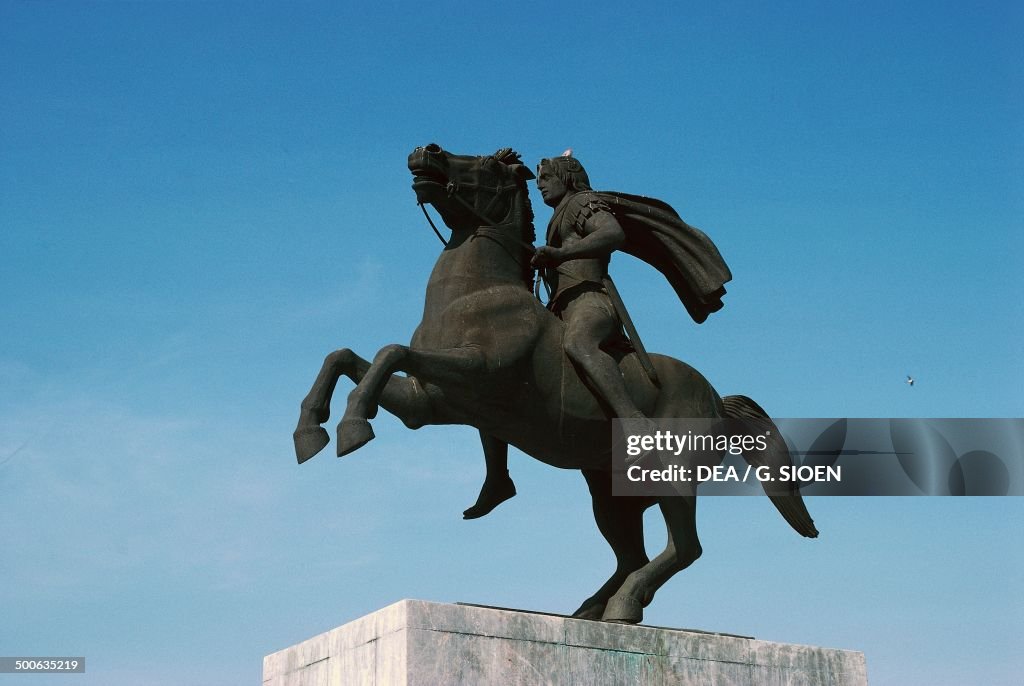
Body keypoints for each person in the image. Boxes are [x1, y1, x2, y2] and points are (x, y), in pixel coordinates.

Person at [463, 152, 732, 519]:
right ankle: (498, 476)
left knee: (578, 343)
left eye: (546, 176)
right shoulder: (558, 215)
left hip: (591, 301)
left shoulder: (582, 202)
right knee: (499, 370)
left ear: (567, 177)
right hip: (562, 306)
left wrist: (560, 252)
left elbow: (612, 233)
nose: (541, 183)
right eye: (538, 177)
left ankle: (634, 421)